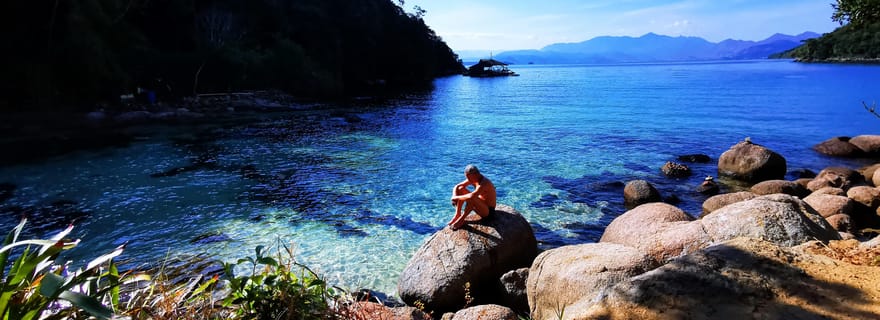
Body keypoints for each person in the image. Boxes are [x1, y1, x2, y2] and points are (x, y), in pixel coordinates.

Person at [448, 164, 497, 230]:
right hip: (479, 204)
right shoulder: (474, 179)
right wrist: (454, 195)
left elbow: (472, 196)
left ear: (476, 175)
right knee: (461, 188)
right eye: (467, 177)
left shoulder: (484, 183)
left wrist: (456, 198)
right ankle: (457, 214)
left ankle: (461, 219)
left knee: (471, 197)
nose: (468, 180)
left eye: (469, 177)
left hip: (488, 212)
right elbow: (457, 186)